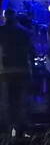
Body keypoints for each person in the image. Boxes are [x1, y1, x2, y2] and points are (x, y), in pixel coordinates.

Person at [0, 8, 33, 136]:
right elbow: (31, 51)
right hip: (21, 71)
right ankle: (20, 128)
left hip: (4, 72)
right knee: (20, 101)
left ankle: (7, 130)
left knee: (6, 102)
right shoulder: (24, 32)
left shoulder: (1, 32)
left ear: (4, 17)